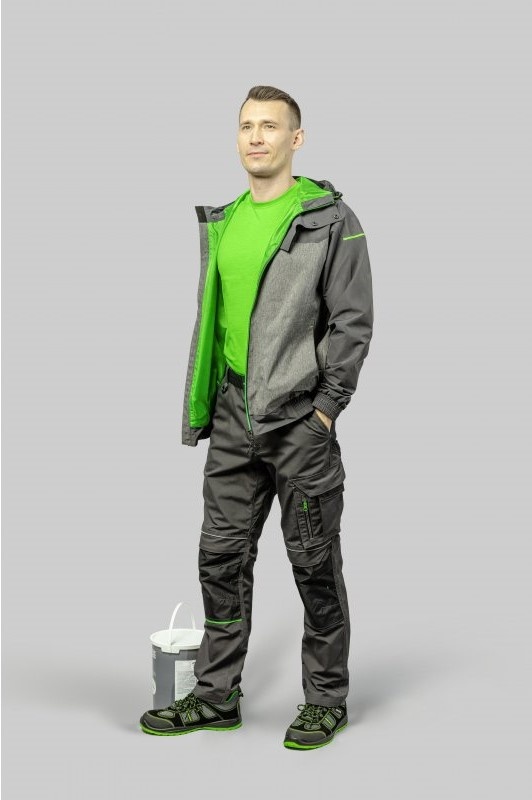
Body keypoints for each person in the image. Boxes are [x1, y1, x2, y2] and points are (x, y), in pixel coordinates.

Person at [140, 85, 374, 749]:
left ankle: (325, 699)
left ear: (296, 139)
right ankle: (216, 696)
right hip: (233, 416)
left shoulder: (329, 219)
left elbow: (354, 321)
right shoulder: (228, 218)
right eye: (246, 126)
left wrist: (326, 410)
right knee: (220, 558)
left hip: (300, 422)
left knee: (313, 563)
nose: (256, 137)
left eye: (270, 126)